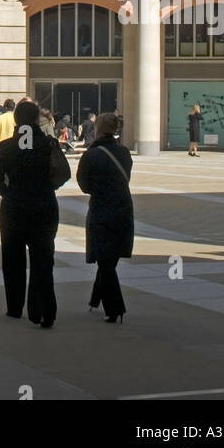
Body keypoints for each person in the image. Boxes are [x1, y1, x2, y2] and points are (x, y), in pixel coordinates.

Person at [0, 100, 71, 327]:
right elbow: (64, 174)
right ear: (37, 119)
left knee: (13, 259)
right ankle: (43, 310)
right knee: (43, 260)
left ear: (16, 120)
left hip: (14, 207)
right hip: (43, 205)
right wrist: (47, 188)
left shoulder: (6, 146)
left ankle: (15, 307)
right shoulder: (49, 144)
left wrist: (10, 193)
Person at [76, 112, 134, 323]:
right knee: (110, 257)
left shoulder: (92, 155)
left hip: (101, 207)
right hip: (123, 206)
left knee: (105, 260)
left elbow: (84, 184)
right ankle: (95, 298)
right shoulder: (124, 153)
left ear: (98, 129)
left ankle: (115, 308)